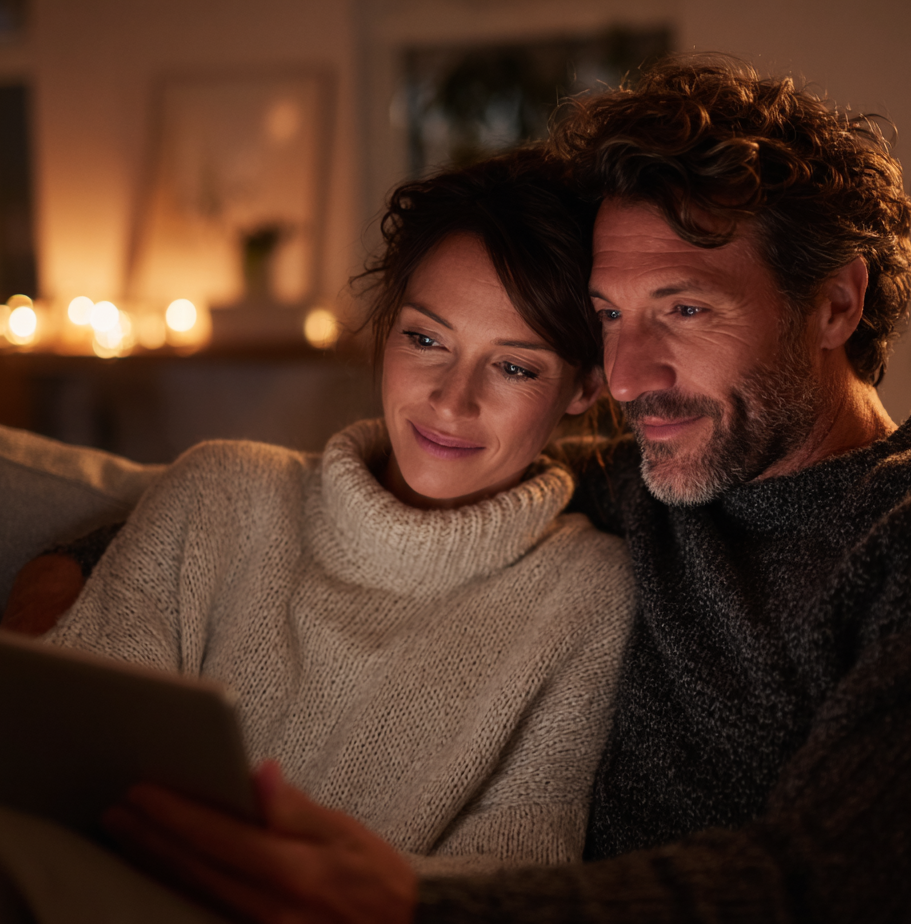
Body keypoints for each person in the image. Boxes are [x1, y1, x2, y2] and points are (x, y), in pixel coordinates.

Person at [0, 54, 911, 924]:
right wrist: (57, 580)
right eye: (609, 316)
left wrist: (406, 919)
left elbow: (821, 898)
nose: (629, 372)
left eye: (684, 308)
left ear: (837, 300)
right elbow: (298, 502)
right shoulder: (656, 470)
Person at [31, 149, 633, 877]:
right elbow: (57, 758)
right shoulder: (218, 492)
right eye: (425, 339)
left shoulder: (590, 594)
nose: (451, 399)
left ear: (585, 388)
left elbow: (514, 887)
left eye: (513, 366)